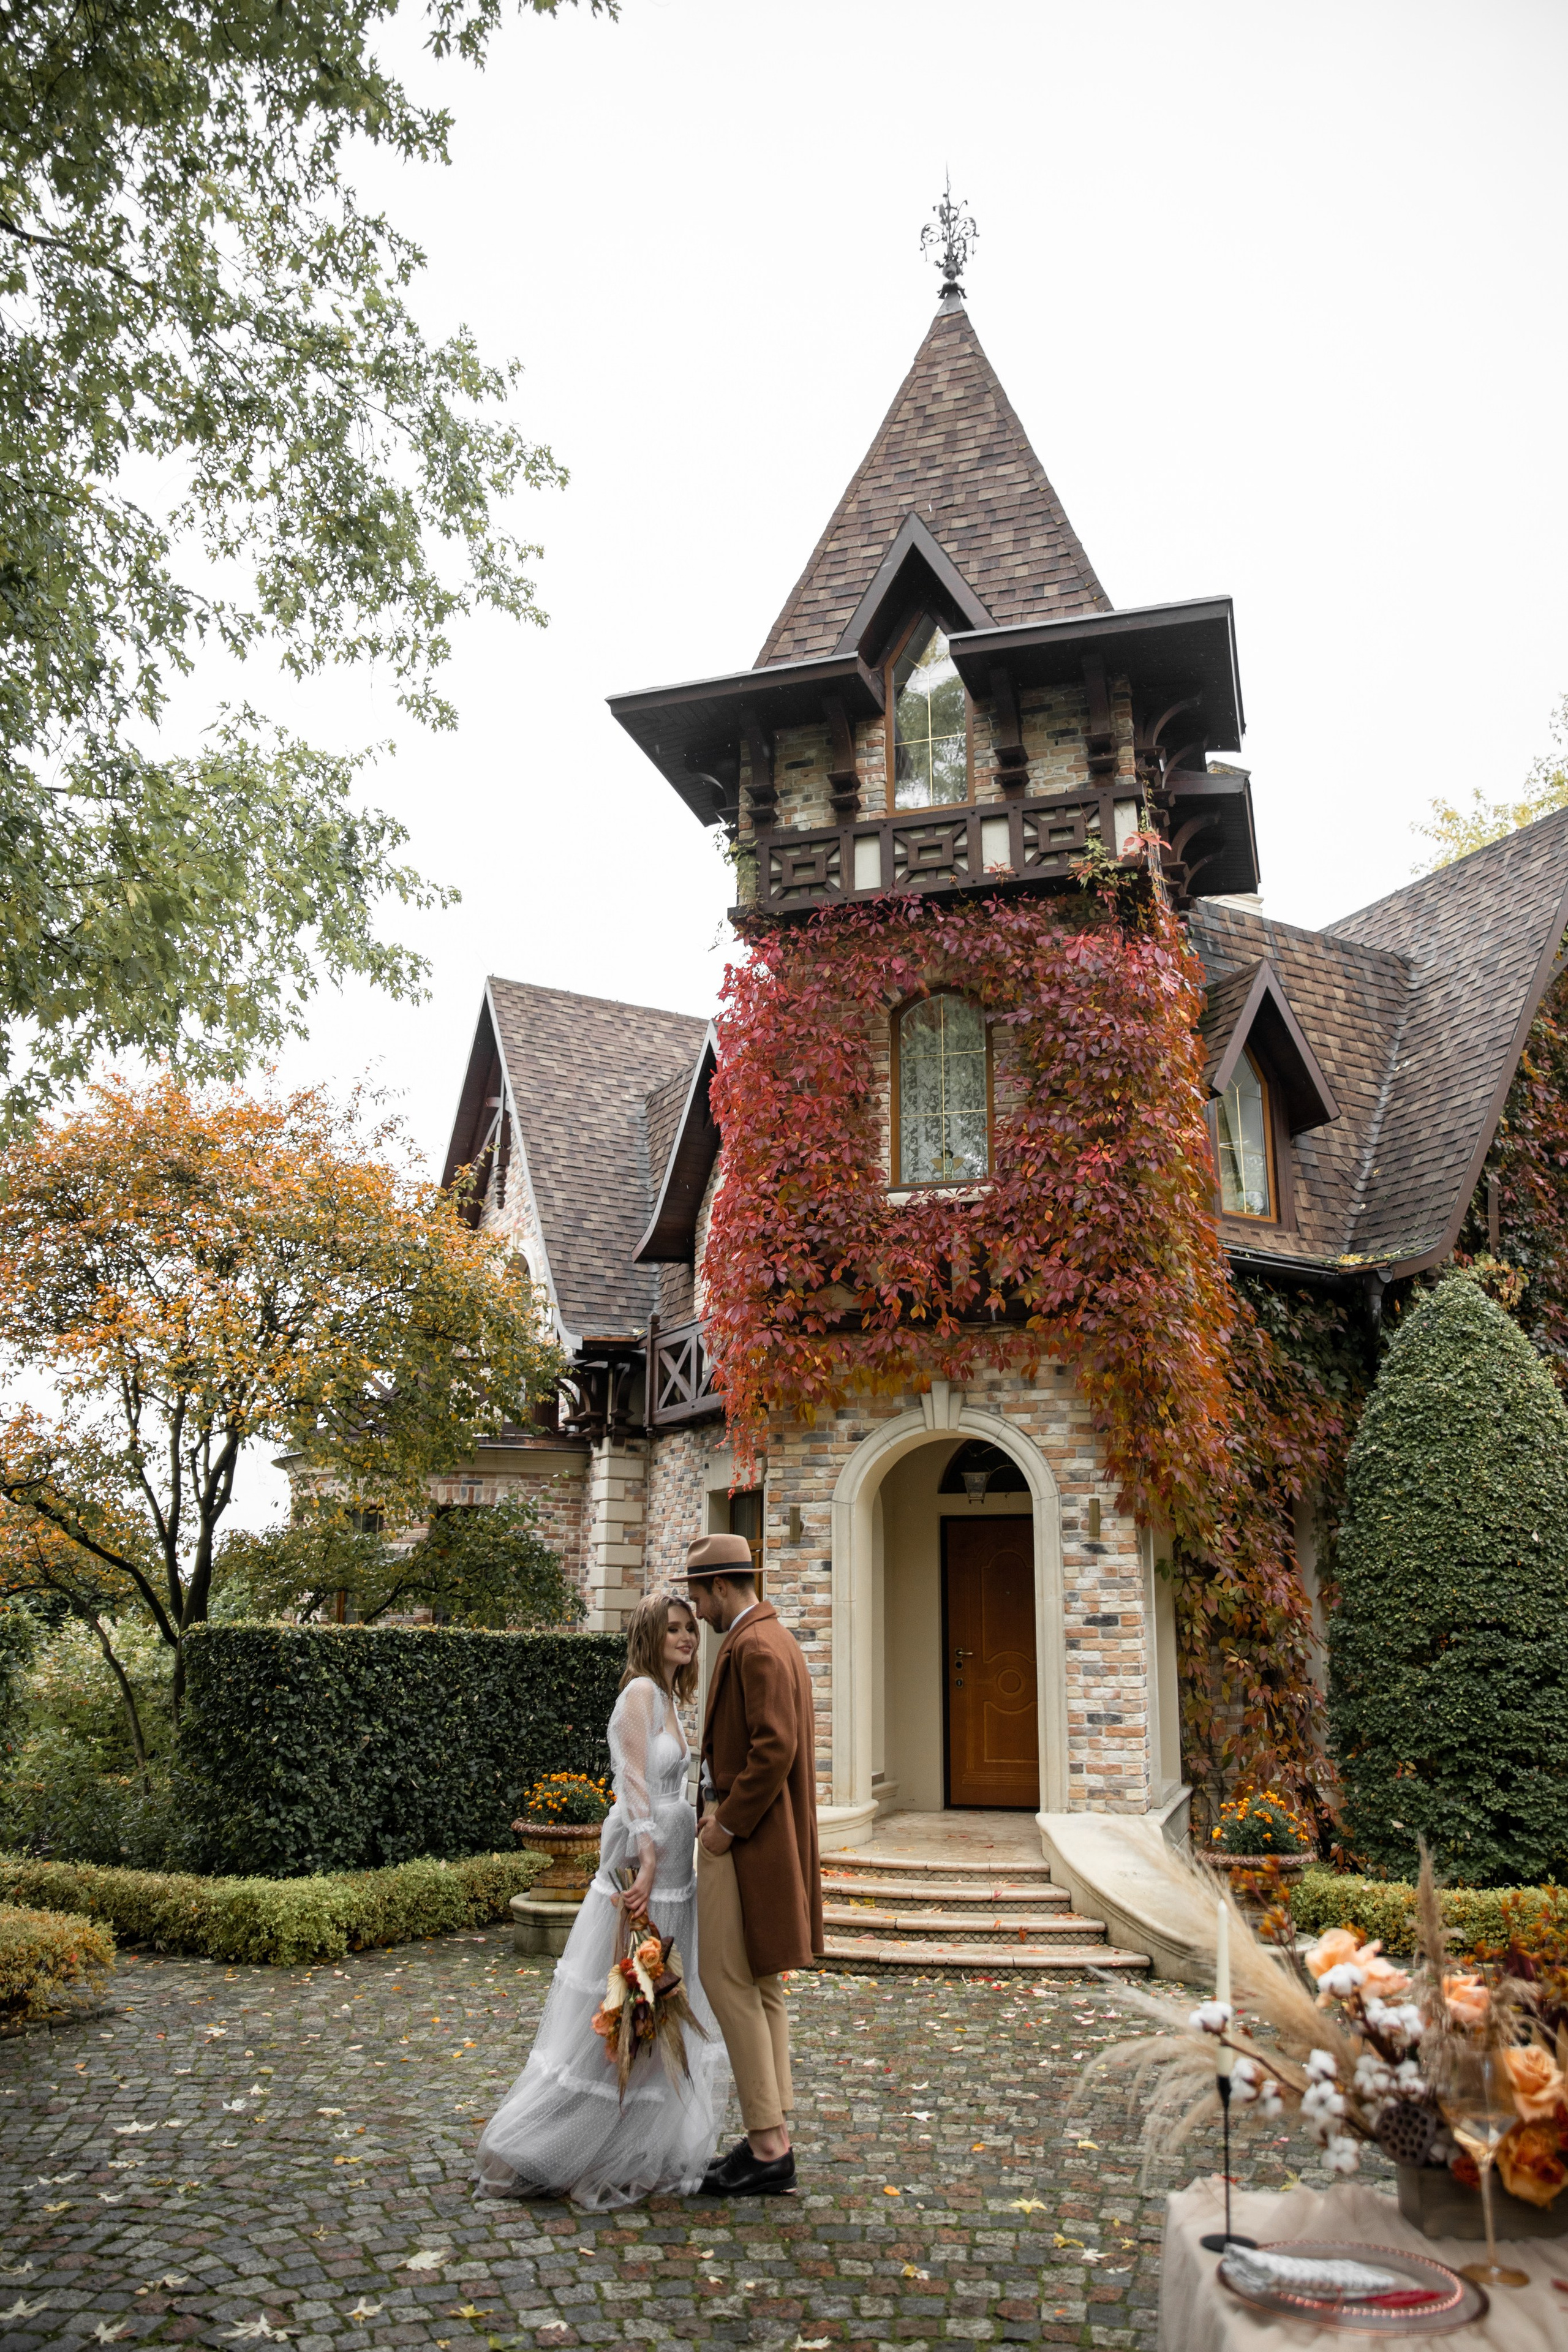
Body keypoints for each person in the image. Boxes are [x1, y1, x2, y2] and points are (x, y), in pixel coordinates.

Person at [475, 1589, 728, 2209]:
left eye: (689, 1629)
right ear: (649, 1635)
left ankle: (642, 2141)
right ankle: (565, 2140)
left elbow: (673, 1784)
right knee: (629, 1998)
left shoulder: (671, 1696)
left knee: (660, 2000)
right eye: (672, 1629)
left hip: (674, 1865)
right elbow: (631, 1781)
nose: (685, 1638)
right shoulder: (639, 1693)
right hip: (644, 1864)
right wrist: (644, 1860)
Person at [683, 1532, 824, 2198]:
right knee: (761, 1982)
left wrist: (723, 1828)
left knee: (725, 1979)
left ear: (718, 1588)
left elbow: (774, 1750)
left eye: (697, 1595)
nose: (697, 1611)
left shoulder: (755, 1644)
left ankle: (767, 2146)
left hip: (744, 1845)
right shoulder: (772, 1638)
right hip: (756, 1843)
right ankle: (773, 2136)